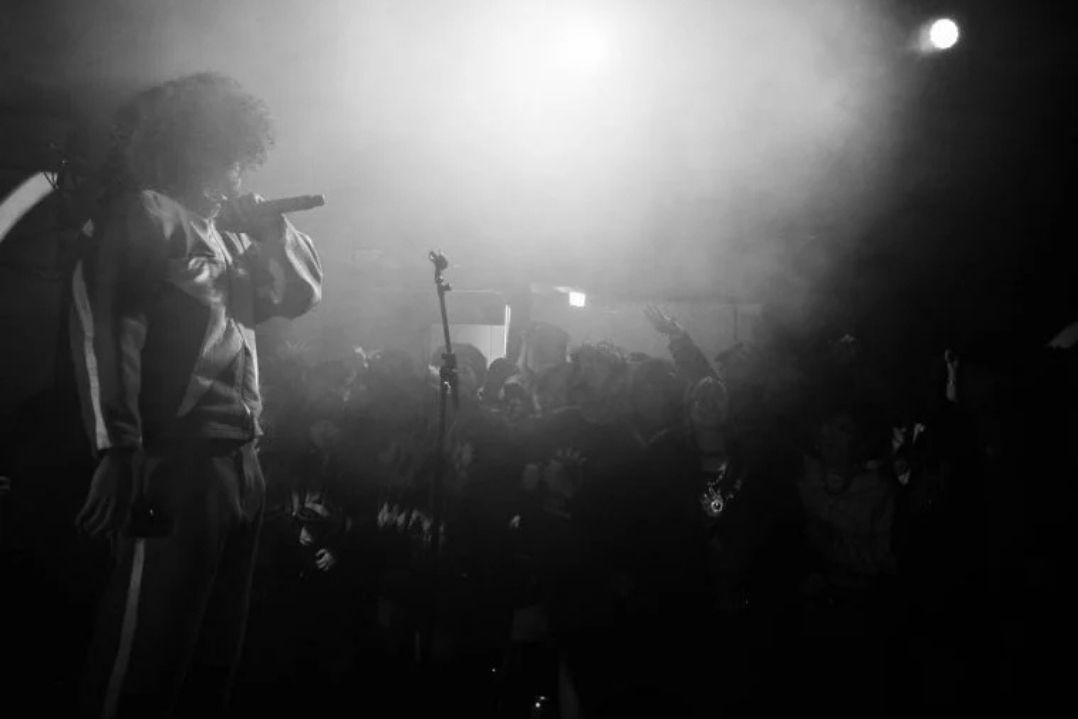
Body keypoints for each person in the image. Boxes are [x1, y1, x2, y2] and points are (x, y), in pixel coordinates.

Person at [69, 72, 323, 718]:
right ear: (195, 147)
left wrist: (273, 232)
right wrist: (118, 446)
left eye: (244, 159)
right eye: (230, 156)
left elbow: (297, 297)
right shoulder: (149, 214)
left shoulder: (232, 237)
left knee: (210, 663)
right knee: (143, 662)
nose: (239, 173)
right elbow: (104, 321)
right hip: (177, 465)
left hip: (241, 466)